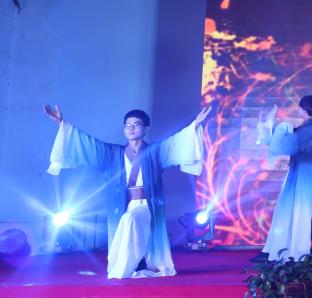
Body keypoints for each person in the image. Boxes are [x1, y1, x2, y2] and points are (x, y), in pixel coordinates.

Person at [43, 102, 211, 279]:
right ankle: (132, 264)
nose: (131, 128)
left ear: (145, 129)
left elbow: (175, 143)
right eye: (127, 125)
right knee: (126, 221)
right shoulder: (113, 153)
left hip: (148, 206)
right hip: (123, 205)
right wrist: (62, 123)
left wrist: (195, 125)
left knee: (129, 220)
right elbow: (88, 144)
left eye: (136, 124)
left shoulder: (155, 151)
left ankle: (130, 266)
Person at [255, 95, 312, 261]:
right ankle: (278, 250)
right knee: (287, 210)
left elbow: (285, 143)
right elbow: (287, 141)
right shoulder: (307, 127)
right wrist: (271, 126)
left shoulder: (309, 129)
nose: (298, 109)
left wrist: (277, 128)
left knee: (298, 211)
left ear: (304, 109)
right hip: (299, 172)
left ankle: (295, 252)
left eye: (300, 107)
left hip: (303, 175)